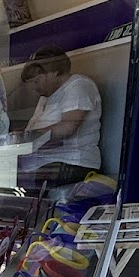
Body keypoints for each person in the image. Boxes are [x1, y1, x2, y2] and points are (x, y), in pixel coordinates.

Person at [20, 46, 102, 189]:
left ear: (55, 72)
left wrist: (27, 136)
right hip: (40, 164)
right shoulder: (46, 95)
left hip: (70, 163)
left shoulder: (78, 86)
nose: (33, 87)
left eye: (36, 81)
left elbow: (67, 127)